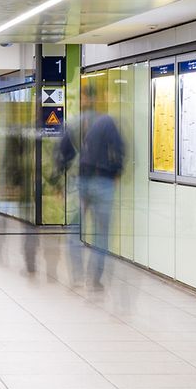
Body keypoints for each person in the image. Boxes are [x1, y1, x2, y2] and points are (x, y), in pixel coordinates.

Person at [63, 111, 127, 289]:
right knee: (101, 233)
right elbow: (119, 148)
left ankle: (77, 276)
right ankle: (95, 278)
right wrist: (116, 171)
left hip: (81, 181)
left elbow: (64, 148)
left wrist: (62, 173)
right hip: (102, 181)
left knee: (75, 230)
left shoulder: (77, 121)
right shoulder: (106, 121)